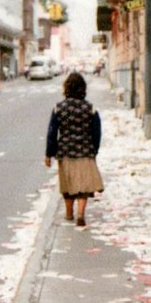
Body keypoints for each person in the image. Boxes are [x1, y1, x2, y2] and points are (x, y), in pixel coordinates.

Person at [45, 71, 103, 228]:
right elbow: (97, 132)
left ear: (67, 88)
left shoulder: (58, 108)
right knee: (84, 186)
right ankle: (80, 214)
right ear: (83, 88)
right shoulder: (90, 108)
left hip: (65, 151)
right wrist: (94, 150)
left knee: (68, 184)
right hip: (85, 150)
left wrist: (49, 154)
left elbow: (52, 132)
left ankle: (69, 213)